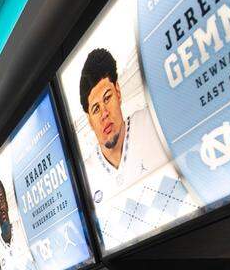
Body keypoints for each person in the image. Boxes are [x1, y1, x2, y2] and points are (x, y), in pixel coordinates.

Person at [78, 47, 195, 210]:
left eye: (107, 98)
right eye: (96, 109)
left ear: (118, 92)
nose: (104, 113)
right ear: (89, 120)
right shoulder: (85, 176)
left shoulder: (153, 122)